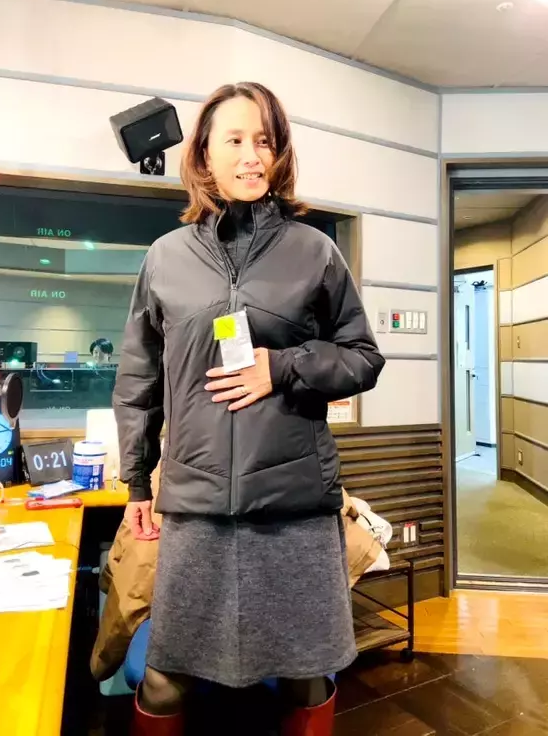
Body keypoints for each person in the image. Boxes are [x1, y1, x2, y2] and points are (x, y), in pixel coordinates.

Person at [113, 81, 385, 736]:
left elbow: (363, 357)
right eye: (234, 139)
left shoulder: (314, 251)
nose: (251, 155)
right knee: (164, 680)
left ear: (279, 153)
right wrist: (135, 482)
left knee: (305, 674)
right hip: (197, 506)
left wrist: (284, 366)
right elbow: (138, 377)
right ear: (204, 154)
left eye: (264, 141)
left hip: (293, 508)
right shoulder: (165, 258)